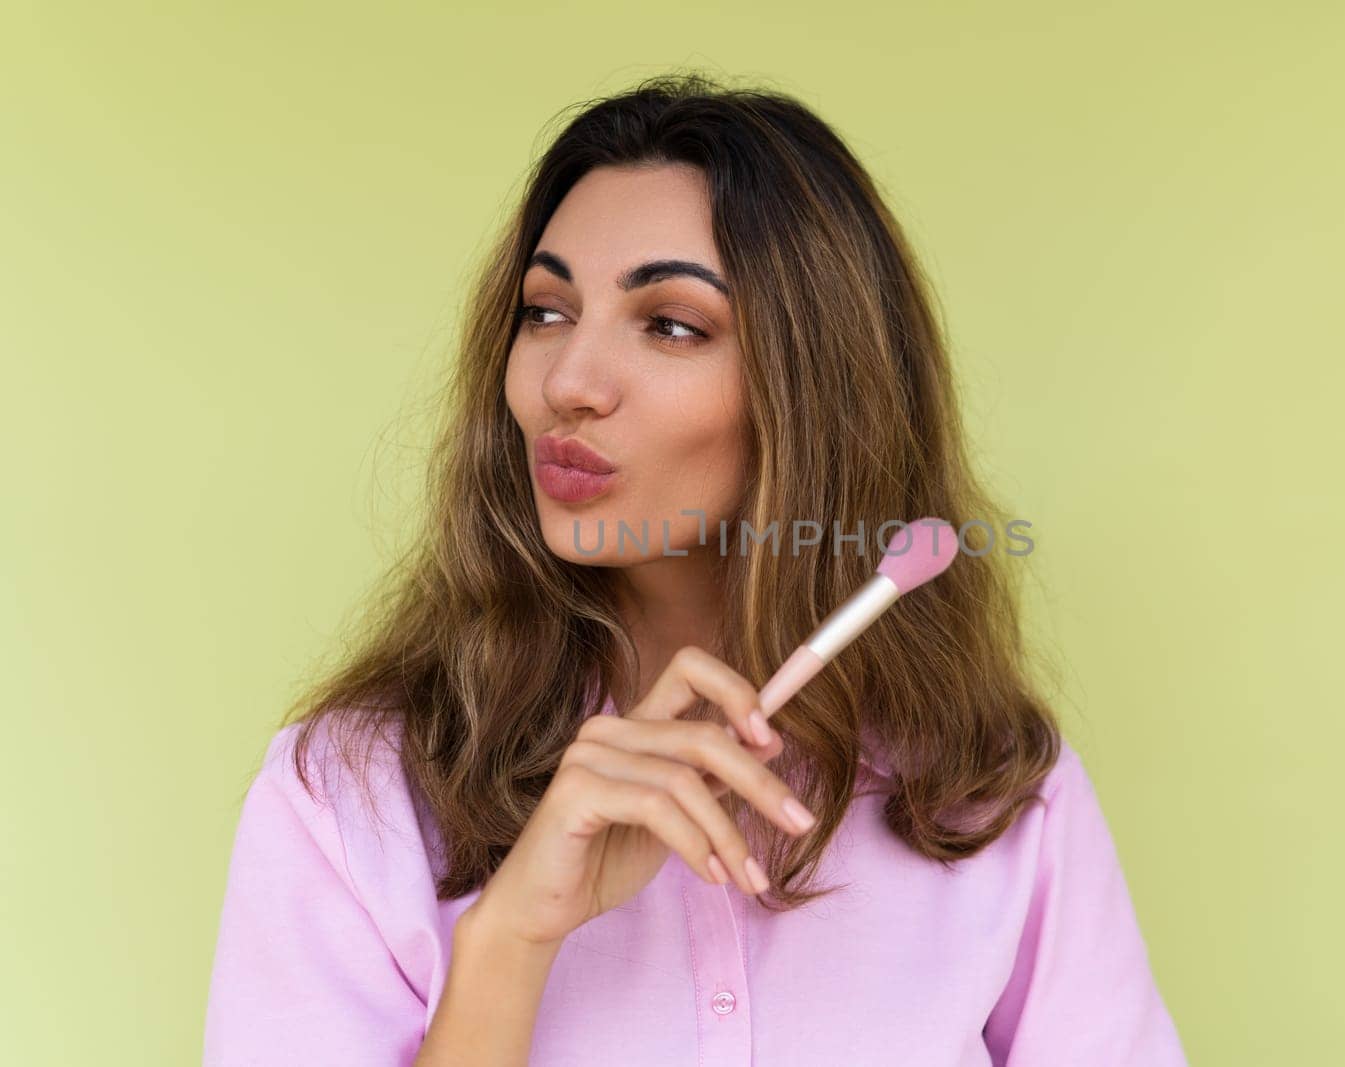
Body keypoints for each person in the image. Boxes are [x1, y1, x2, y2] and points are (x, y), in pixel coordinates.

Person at [202, 71, 1188, 1066]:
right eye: (545, 311)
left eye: (671, 323)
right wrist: (508, 942)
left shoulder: (991, 795)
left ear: (811, 390)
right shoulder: (351, 797)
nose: (567, 384)